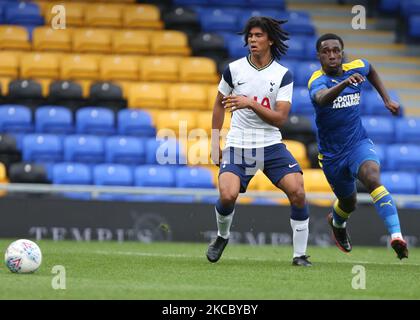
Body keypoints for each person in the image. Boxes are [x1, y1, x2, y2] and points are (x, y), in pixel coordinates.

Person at [206, 16, 312, 267]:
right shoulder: (234, 69)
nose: (252, 40)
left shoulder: (283, 75)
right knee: (228, 194)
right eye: (250, 36)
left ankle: (300, 255)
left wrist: (250, 103)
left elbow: (281, 119)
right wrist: (214, 142)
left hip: (271, 145)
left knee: (298, 191)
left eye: (258, 36)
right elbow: (218, 105)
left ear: (270, 40)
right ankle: (222, 236)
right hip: (238, 144)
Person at [308, 33, 408, 259]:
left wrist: (387, 99)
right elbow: (322, 98)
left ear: (342, 52)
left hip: (357, 144)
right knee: (348, 202)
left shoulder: (357, 66)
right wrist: (344, 83)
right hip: (332, 156)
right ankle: (337, 224)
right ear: (319, 56)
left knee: (372, 177)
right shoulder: (317, 80)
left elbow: (371, 69)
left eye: (336, 50)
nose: (332, 55)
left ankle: (396, 236)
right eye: (326, 52)